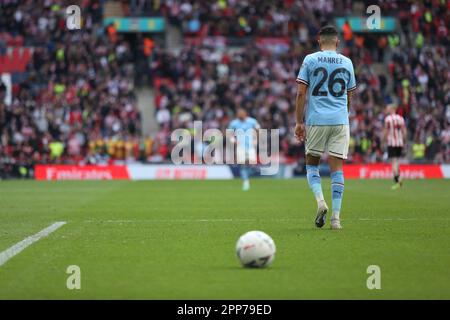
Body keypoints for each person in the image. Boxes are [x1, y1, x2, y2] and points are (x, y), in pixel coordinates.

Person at [294, 25, 356, 230]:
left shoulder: (310, 60)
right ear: (337, 42)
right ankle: (336, 219)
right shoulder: (347, 62)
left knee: (312, 164)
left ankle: (321, 202)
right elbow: (349, 96)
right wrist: (343, 117)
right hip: (340, 120)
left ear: (319, 41)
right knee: (337, 169)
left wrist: (298, 122)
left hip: (317, 120)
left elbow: (301, 93)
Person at [228, 108, 260, 191]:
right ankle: (246, 181)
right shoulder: (234, 123)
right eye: (239, 114)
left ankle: (248, 176)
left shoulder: (252, 121)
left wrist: (256, 139)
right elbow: (229, 133)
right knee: (243, 165)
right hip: (240, 147)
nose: (240, 115)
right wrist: (233, 140)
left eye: (241, 113)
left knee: (253, 164)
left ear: (245, 114)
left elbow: (258, 129)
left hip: (250, 146)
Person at [382, 104, 407, 189]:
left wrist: (382, 141)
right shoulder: (401, 118)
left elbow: (385, 131)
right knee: (396, 161)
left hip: (391, 143)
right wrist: (404, 141)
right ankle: (399, 179)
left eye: (388, 108)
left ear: (392, 109)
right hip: (399, 143)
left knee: (394, 161)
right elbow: (404, 131)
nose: (387, 110)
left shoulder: (388, 119)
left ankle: (397, 180)